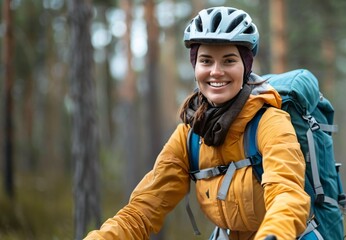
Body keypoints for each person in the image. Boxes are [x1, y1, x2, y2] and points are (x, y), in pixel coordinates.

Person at [85, 6, 310, 240]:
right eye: (206, 61)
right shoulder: (190, 135)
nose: (216, 71)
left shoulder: (270, 122)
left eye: (229, 60)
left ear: (246, 66)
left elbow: (287, 194)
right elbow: (142, 211)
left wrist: (274, 235)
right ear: (195, 67)